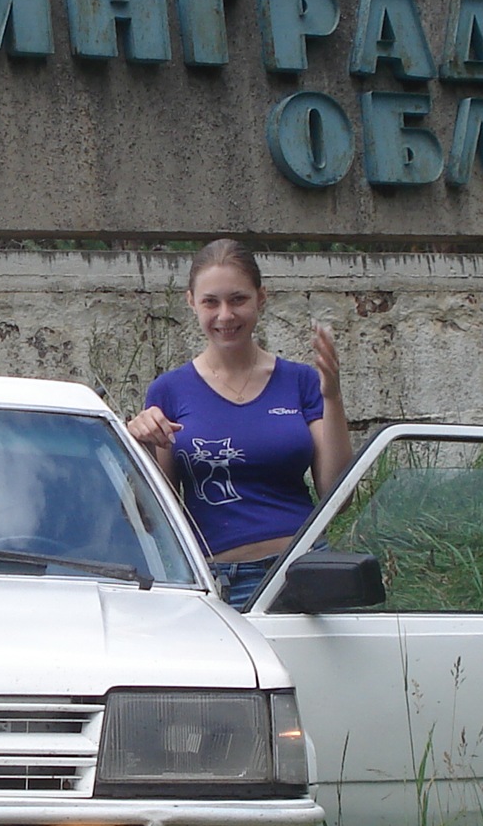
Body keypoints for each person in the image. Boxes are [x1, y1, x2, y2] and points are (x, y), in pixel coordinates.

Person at [127, 239, 354, 610]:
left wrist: (332, 396)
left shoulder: (301, 381)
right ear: (191, 302)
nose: (225, 315)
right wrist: (143, 445)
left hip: (305, 571)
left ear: (261, 298)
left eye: (238, 299)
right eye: (210, 302)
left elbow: (337, 498)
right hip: (222, 584)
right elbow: (156, 517)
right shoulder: (168, 390)